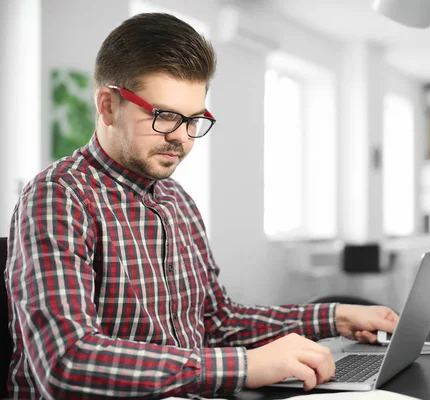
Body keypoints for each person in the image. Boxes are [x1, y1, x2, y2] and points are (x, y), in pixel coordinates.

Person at [4, 13, 398, 399]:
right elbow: (66, 363)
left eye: (193, 120)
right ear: (108, 105)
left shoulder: (177, 201)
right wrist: (245, 367)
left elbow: (217, 323)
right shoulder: (59, 196)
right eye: (164, 116)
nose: (182, 138)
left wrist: (334, 317)